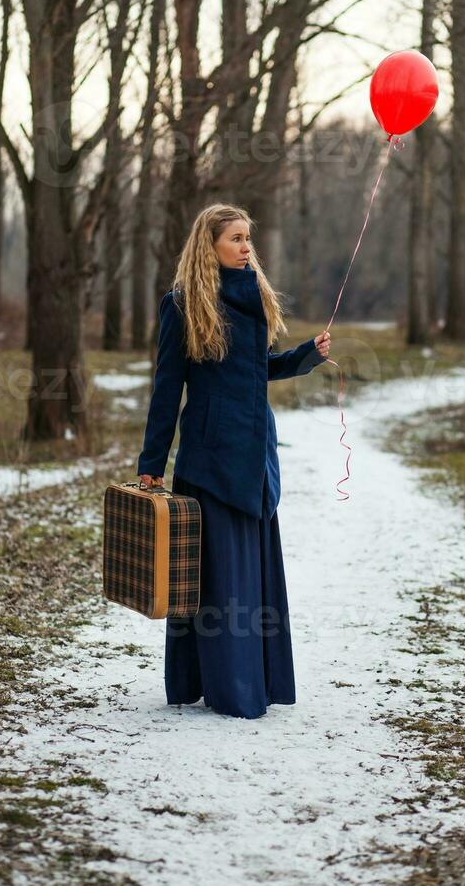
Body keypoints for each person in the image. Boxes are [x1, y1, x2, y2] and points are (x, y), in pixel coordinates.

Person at [137, 203, 331, 719]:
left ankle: (256, 679)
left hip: (255, 451)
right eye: (236, 239)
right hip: (211, 457)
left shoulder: (254, 297)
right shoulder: (182, 305)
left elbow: (256, 370)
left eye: (249, 238)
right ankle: (226, 686)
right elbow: (166, 388)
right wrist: (151, 460)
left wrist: (306, 355)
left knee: (250, 569)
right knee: (216, 575)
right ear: (211, 246)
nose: (247, 247)